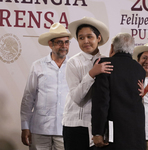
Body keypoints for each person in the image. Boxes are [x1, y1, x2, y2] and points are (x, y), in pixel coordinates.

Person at [62, 17, 113, 150]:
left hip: (99, 127)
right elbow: (77, 98)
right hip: (75, 125)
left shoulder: (107, 62)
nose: (85, 41)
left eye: (89, 36)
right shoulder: (73, 62)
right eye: (81, 38)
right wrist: (92, 74)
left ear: (99, 38)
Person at [20, 22, 72, 150]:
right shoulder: (37, 66)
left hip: (65, 130)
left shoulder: (74, 66)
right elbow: (28, 98)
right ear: (50, 44)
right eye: (60, 42)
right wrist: (25, 126)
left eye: (66, 42)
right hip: (39, 130)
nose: (64, 46)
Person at [92, 32, 146, 150]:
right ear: (132, 49)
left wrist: (97, 132)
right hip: (137, 133)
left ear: (112, 47)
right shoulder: (140, 69)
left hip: (114, 133)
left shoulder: (105, 65)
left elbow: (101, 102)